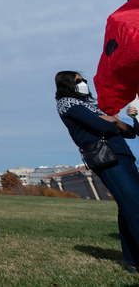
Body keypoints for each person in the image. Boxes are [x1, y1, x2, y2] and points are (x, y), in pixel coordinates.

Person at [56, 70, 139, 275]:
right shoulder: (67, 103)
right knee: (134, 206)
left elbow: (129, 132)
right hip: (107, 159)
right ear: (67, 84)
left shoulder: (91, 106)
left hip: (123, 156)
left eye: (83, 80)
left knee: (128, 207)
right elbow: (101, 126)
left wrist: (119, 121)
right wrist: (112, 122)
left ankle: (133, 261)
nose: (84, 83)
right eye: (79, 81)